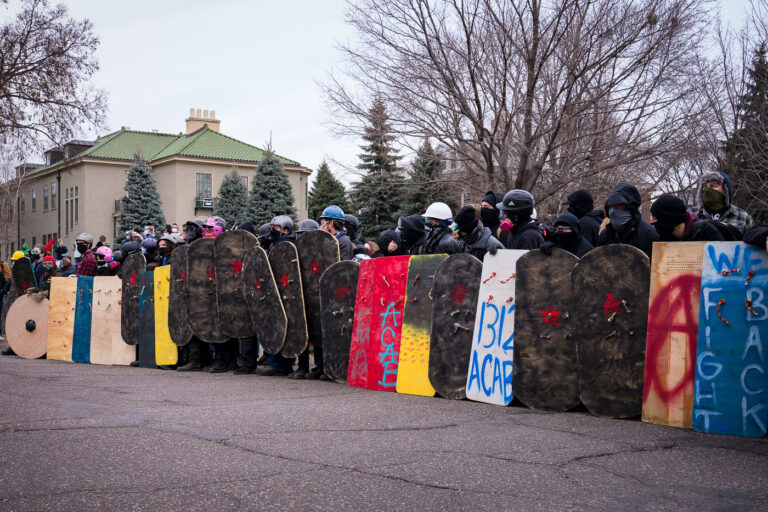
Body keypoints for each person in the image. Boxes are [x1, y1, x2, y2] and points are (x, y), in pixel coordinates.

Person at [597, 184, 658, 258]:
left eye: (619, 206)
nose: (613, 211)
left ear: (631, 208)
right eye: (611, 206)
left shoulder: (649, 234)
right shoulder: (606, 234)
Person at [650, 194, 725, 242]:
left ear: (668, 220)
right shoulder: (663, 237)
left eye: (655, 218)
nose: (651, 222)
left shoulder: (705, 232)